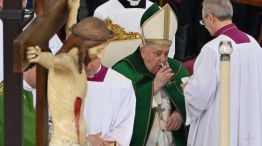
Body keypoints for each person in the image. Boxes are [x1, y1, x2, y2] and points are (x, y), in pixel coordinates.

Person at [181, 0, 262, 146]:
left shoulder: (212, 49)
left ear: (211, 17)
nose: (204, 25)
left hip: (220, 126)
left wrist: (187, 87)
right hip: (249, 123)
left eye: (203, 20)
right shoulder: (254, 44)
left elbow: (199, 95)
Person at [26, 17, 112, 146]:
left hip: (80, 137)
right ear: (86, 44)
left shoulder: (77, 62)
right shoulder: (67, 62)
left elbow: (71, 30)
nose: (100, 55)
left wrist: (73, 8)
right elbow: (54, 61)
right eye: (99, 50)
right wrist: (39, 57)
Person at [113, 4, 189, 146]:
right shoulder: (123, 70)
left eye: (166, 53)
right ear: (142, 51)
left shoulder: (177, 68)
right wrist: (153, 87)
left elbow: (191, 101)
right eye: (157, 53)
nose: (163, 60)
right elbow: (116, 110)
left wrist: (180, 113)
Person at [83, 58, 136, 146]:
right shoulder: (62, 82)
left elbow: (123, 130)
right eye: (83, 58)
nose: (88, 66)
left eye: (91, 58)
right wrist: (85, 139)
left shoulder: (122, 86)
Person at [0, 65, 36, 146]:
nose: (47, 76)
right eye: (45, 71)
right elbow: (31, 136)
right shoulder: (11, 93)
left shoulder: (19, 89)